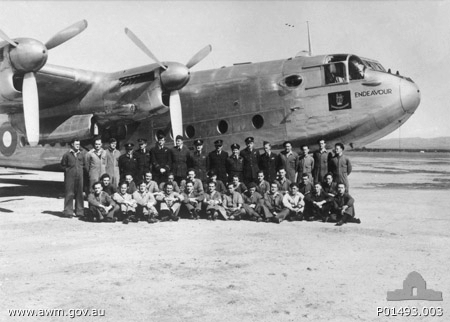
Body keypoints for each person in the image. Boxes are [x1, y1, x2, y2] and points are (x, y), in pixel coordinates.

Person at [60, 138, 85, 218]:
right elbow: (62, 165)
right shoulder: (67, 155)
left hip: (80, 176)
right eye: (76, 144)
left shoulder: (81, 154)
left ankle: (79, 212)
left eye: (79, 144)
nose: (78, 146)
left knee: (80, 194)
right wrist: (68, 171)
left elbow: (84, 165)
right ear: (72, 145)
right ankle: (68, 212)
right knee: (69, 193)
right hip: (70, 177)